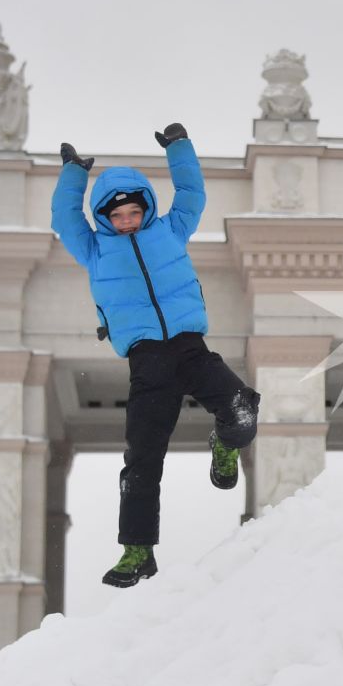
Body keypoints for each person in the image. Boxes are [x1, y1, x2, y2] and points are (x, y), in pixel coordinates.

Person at [51, 124, 261, 588]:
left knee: (242, 406)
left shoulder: (169, 230)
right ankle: (138, 551)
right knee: (142, 460)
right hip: (147, 363)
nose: (127, 220)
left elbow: (191, 193)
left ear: (146, 207)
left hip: (190, 349)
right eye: (119, 215)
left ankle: (225, 443)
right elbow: (66, 221)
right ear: (106, 218)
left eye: (133, 211)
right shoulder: (94, 248)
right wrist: (72, 176)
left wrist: (179, 150)